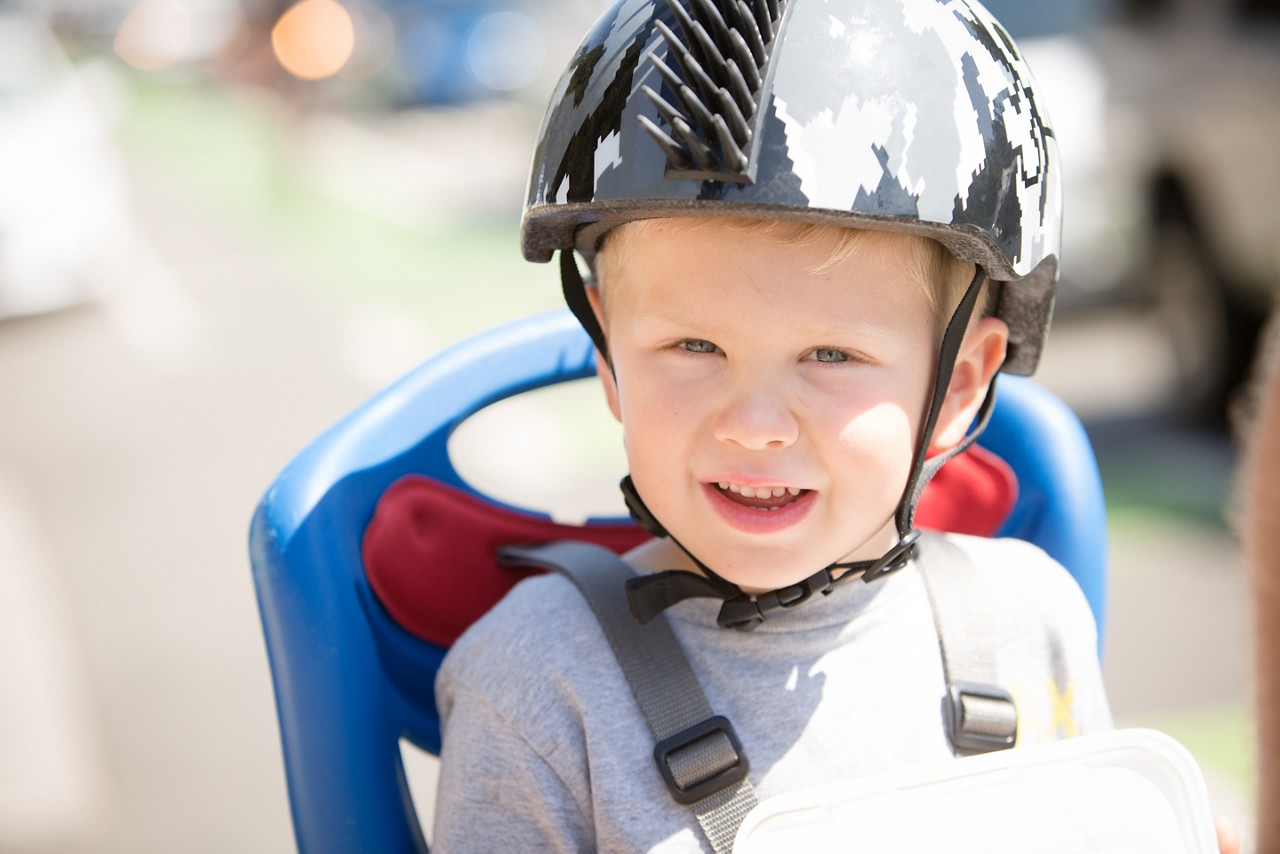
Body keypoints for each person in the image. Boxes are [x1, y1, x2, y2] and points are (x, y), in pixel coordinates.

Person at [431, 0, 1113, 849]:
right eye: (694, 345)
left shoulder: (1029, 623)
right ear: (608, 353)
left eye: (831, 355)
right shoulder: (537, 685)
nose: (755, 427)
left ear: (959, 384)